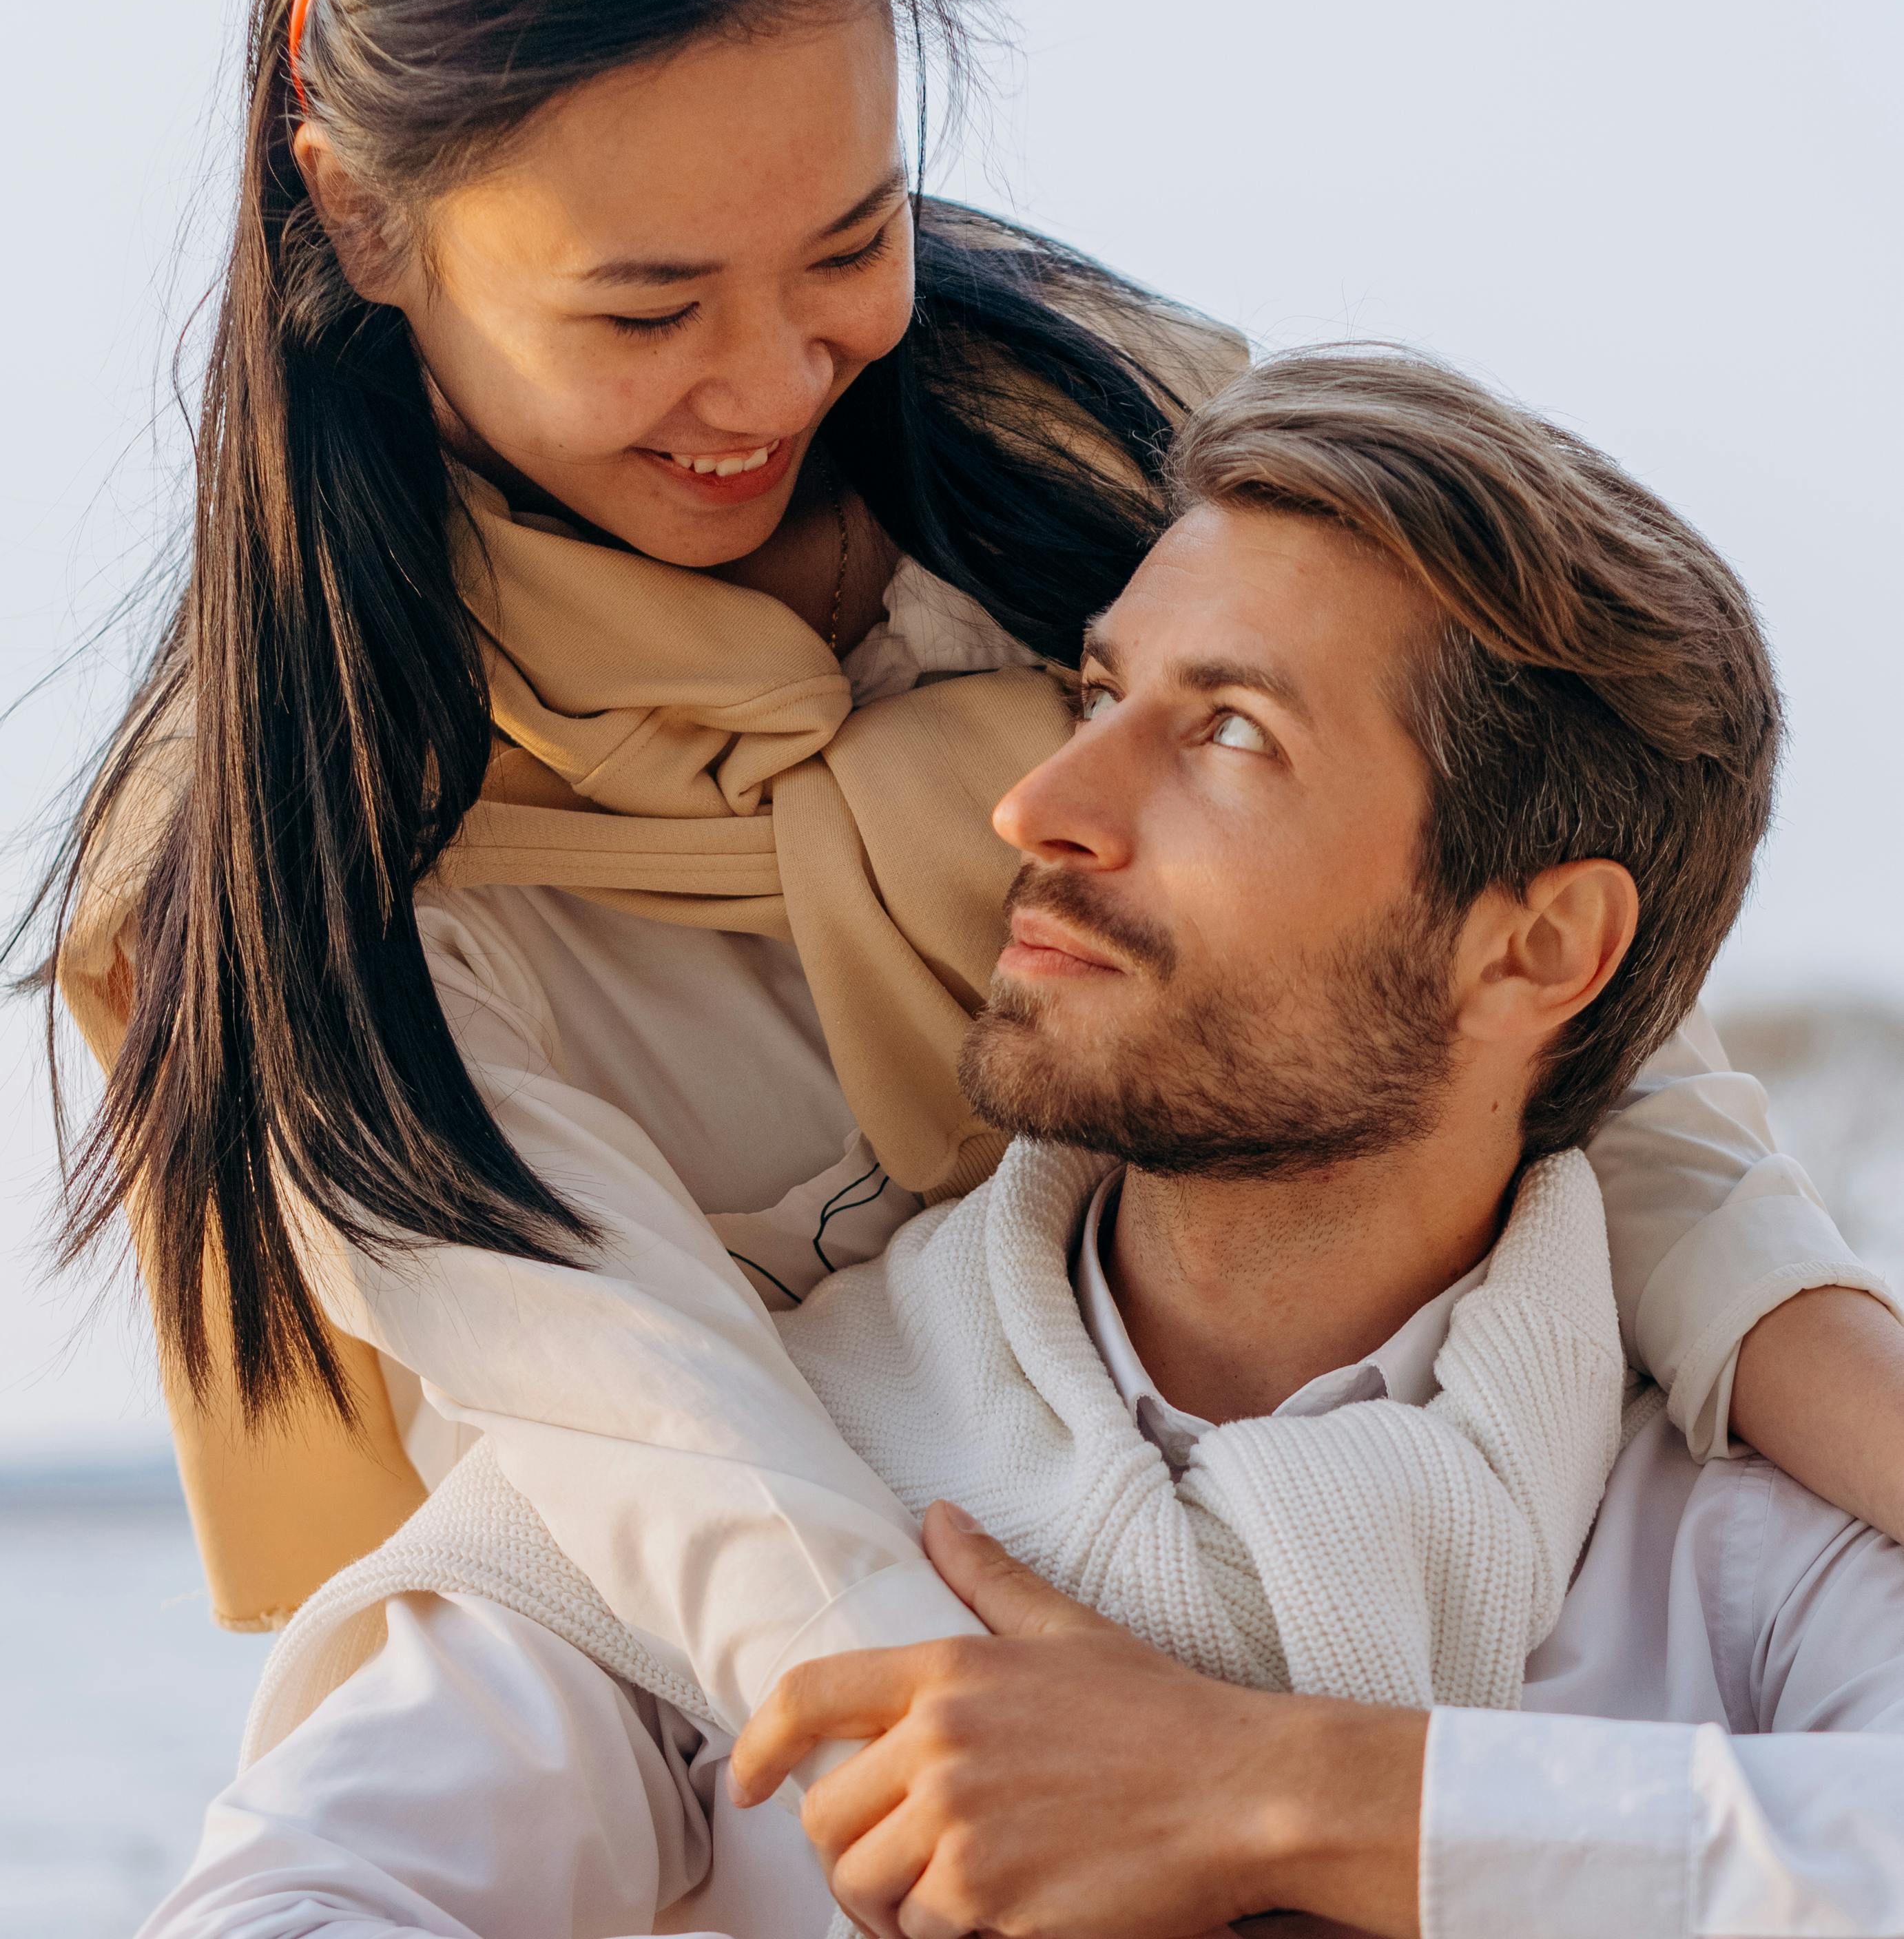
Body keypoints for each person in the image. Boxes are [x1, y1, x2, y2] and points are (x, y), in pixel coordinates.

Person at [35, 0, 1904, 1739]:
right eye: (645, 309)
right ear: (362, 220)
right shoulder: (307, 863)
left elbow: (1534, 982)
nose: (766, 385)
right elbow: (684, 1474)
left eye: (851, 241)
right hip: (766, 1730)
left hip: (1444, 1539)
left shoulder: (1130, 447)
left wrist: (1841, 1390)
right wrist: (1152, 1799)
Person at [145, 355, 1904, 1939]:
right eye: (1094, 693)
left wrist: (1274, 1793)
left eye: (1226, 734)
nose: (1038, 808)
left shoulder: (1734, 1558)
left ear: (1537, 946)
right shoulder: (738, 1493)